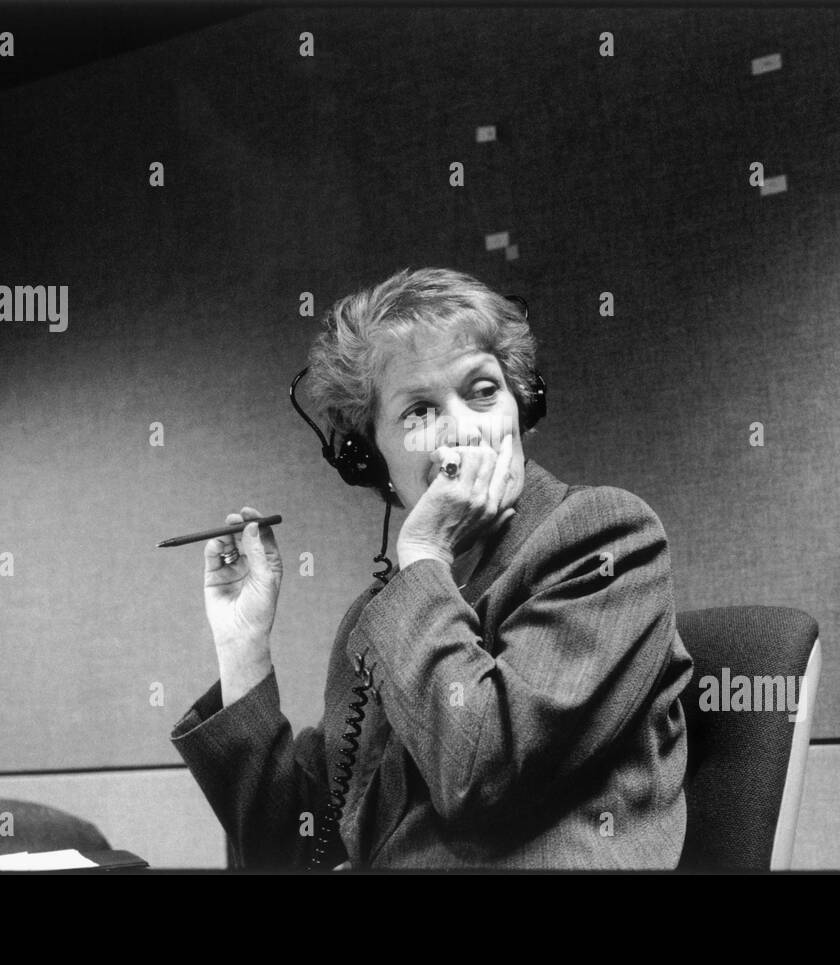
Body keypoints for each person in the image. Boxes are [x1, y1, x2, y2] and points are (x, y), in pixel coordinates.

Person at [170, 267, 693, 869]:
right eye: (419, 411)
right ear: (372, 462)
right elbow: (288, 848)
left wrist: (422, 558)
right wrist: (243, 647)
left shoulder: (604, 537)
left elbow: (482, 773)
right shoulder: (383, 614)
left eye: (483, 391)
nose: (464, 431)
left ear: (522, 409)